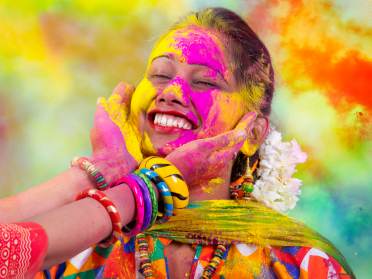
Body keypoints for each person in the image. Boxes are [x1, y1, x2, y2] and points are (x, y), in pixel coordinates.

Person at [0, 7, 353, 279]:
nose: (171, 92)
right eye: (160, 74)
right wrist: (105, 173)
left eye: (203, 83)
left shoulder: (300, 265)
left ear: (254, 134)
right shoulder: (72, 250)